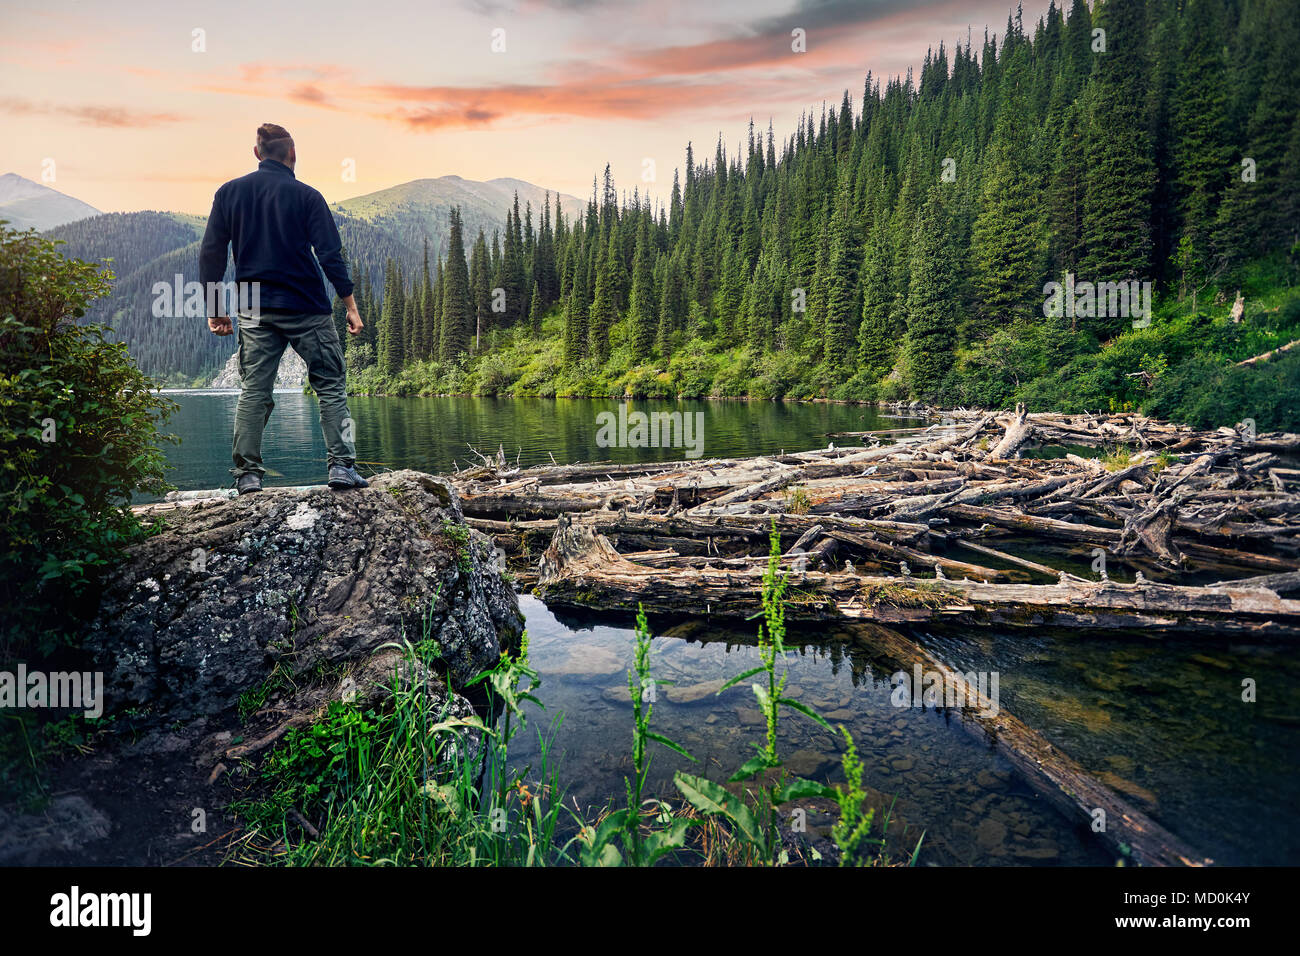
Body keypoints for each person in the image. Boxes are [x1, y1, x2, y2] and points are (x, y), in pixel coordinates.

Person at [200, 122, 369, 494]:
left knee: (254, 391)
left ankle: (248, 476)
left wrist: (215, 308)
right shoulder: (308, 196)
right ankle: (341, 467)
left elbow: (212, 253)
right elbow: (330, 256)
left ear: (257, 153)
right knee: (330, 386)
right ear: (292, 155)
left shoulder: (229, 193)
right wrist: (350, 306)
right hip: (306, 306)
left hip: (253, 308)